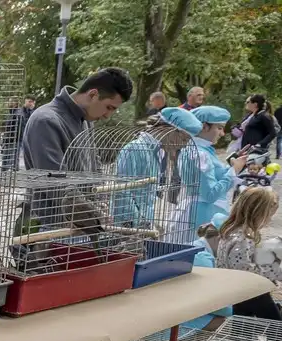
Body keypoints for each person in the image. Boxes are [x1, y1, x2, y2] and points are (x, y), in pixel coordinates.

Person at [18, 67, 134, 341]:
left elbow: (91, 175)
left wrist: (98, 209)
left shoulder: (85, 121)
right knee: (44, 307)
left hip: (75, 229)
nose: (109, 115)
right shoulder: (46, 120)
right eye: (110, 107)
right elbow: (55, 182)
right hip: (44, 226)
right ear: (94, 93)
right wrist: (90, 214)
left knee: (68, 305)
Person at [111, 107, 201, 235]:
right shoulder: (135, 149)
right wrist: (138, 223)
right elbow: (122, 190)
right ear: (169, 131)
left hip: (141, 226)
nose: (185, 145)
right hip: (125, 227)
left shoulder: (157, 153)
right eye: (184, 139)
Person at [173, 105, 247, 231]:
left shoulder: (200, 150)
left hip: (202, 211)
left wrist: (232, 165)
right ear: (204, 126)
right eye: (219, 128)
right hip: (204, 215)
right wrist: (234, 170)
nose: (223, 134)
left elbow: (211, 177)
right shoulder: (199, 154)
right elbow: (210, 195)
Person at [215, 186, 282, 320]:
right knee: (275, 325)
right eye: (268, 216)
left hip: (237, 289)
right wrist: (270, 276)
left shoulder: (231, 231)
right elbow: (245, 270)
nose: (269, 221)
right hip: (251, 290)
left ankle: (238, 339)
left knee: (242, 323)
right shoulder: (243, 238)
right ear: (257, 213)